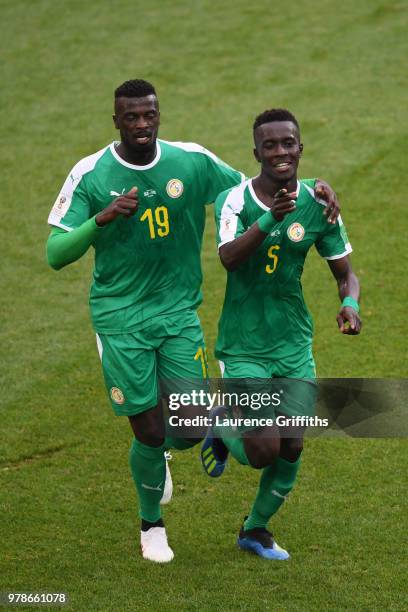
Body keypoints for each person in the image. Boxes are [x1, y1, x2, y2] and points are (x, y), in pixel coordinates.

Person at [46, 80, 341, 563]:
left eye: (150, 115)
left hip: (178, 314)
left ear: (159, 115)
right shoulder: (91, 174)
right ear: (116, 120)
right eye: (132, 117)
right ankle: (151, 525)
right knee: (147, 431)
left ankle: (213, 431)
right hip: (120, 320)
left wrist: (310, 190)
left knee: (186, 429)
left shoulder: (190, 161)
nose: (142, 125)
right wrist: (99, 219)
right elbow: (56, 253)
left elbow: (252, 189)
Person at [201, 108, 361, 560]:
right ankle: (220, 419)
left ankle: (256, 530)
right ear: (256, 153)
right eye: (269, 146)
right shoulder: (236, 200)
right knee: (262, 452)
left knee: (292, 442)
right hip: (244, 343)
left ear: (300, 148)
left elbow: (345, 273)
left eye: (288, 144)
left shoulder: (319, 203)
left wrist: (349, 303)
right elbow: (229, 258)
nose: (280, 153)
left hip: (292, 341)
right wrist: (271, 217)